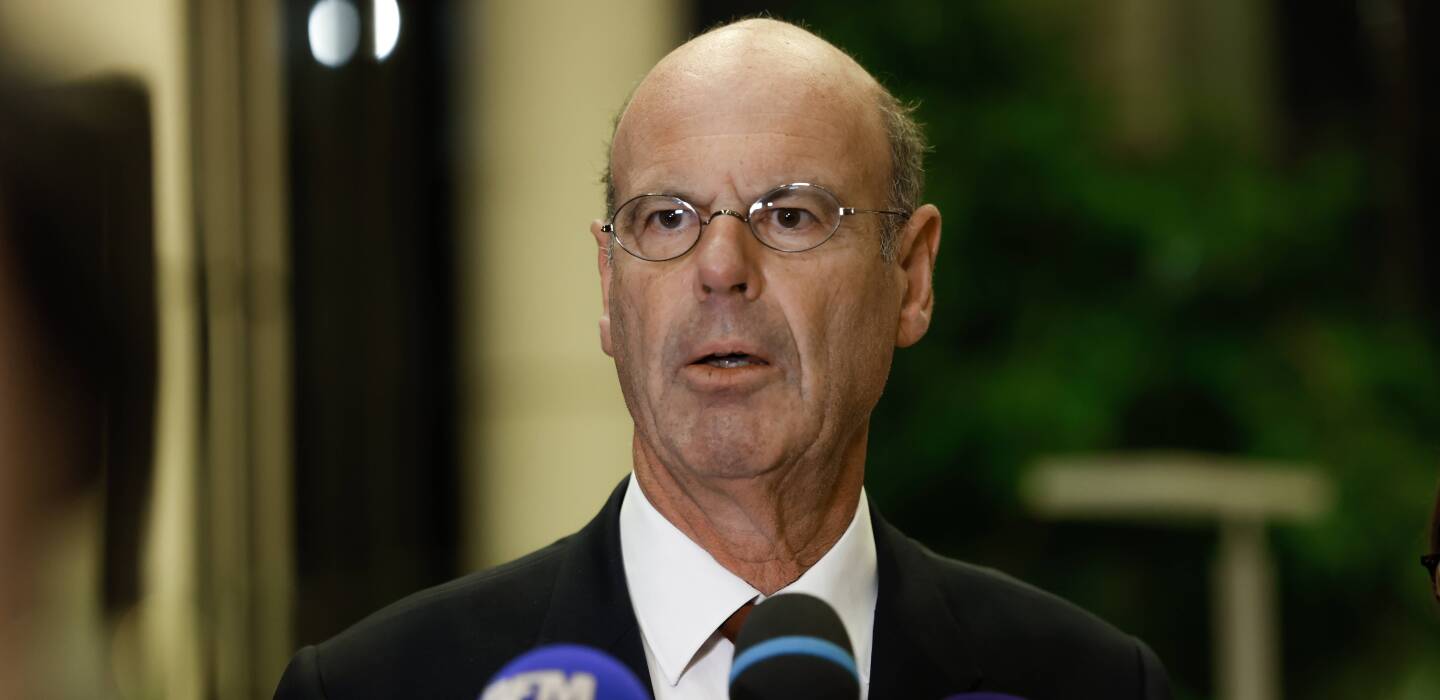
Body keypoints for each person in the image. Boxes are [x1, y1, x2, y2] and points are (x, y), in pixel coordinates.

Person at [276, 18, 1172, 699]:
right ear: (609, 287)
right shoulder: (372, 687)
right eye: (666, 219)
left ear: (911, 278)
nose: (719, 269)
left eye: (792, 215)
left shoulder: (1092, 684)